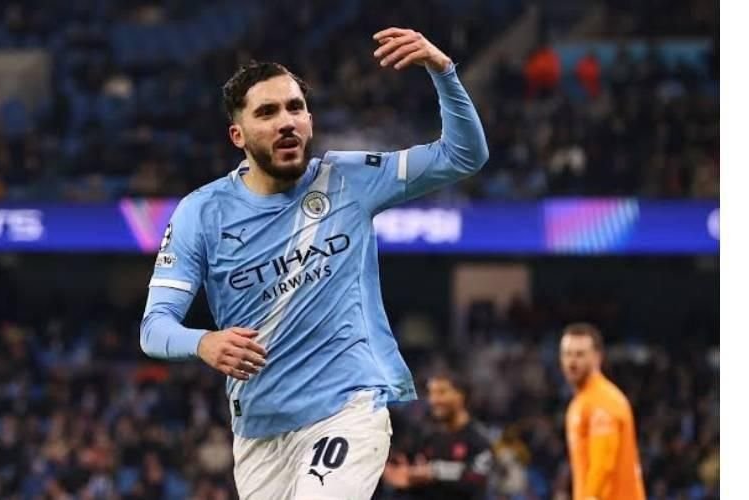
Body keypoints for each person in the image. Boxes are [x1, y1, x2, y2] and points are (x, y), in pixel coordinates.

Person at [140, 26, 489, 499]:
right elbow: (155, 328)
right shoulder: (201, 213)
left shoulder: (348, 179)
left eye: (295, 108)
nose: (286, 121)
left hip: (348, 410)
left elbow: (464, 155)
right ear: (238, 135)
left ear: (309, 119)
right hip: (260, 433)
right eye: (267, 112)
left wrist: (442, 71)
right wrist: (203, 342)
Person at [560, 323, 646, 500]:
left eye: (580, 354)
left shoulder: (604, 401)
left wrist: (591, 496)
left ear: (597, 357)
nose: (572, 362)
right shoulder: (581, 402)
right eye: (567, 354)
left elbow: (603, 463)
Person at [382, 370, 493, 499]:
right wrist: (400, 474)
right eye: (431, 393)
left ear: (460, 395)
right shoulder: (424, 436)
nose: (433, 400)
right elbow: (404, 471)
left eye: (441, 392)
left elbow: (477, 476)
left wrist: (434, 471)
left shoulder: (479, 439)